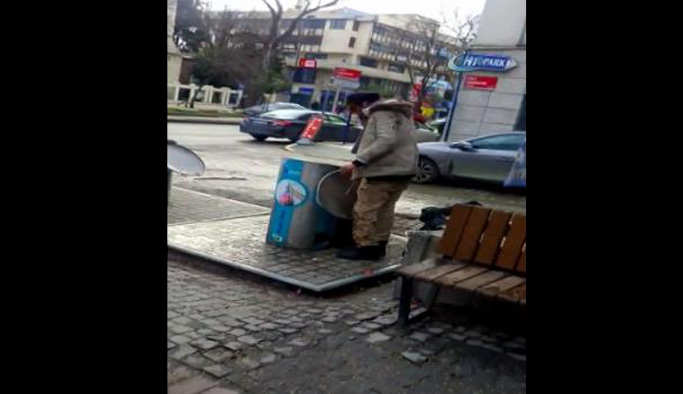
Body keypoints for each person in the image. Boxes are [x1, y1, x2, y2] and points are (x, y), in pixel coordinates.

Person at [337, 94, 419, 261]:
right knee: (385, 210)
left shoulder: (380, 113)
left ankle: (365, 246)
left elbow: (386, 141)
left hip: (382, 171)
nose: (355, 113)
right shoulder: (401, 113)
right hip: (402, 170)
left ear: (363, 103)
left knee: (365, 210)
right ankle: (379, 244)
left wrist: (357, 163)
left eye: (354, 108)